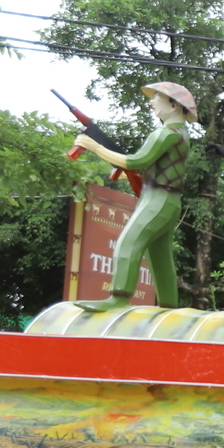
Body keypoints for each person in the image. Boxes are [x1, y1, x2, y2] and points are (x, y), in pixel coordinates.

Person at [72, 82, 195, 312]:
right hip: (168, 200)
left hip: (157, 199)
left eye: (157, 97)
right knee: (160, 256)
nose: (151, 102)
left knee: (128, 243)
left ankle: (118, 297)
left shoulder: (166, 133)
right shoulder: (180, 133)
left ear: (174, 104)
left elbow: (136, 161)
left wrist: (94, 146)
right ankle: (169, 305)